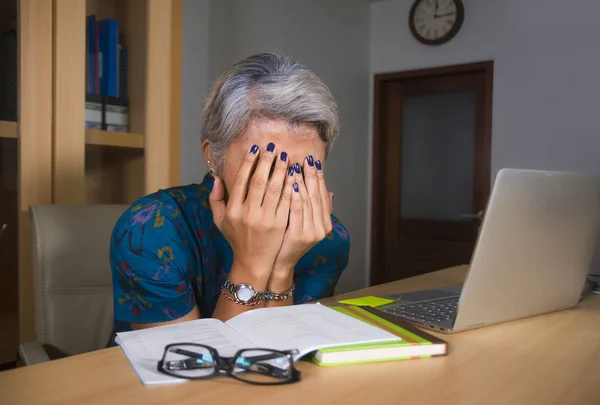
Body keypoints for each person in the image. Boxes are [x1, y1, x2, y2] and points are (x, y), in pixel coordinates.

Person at [109, 52, 350, 337]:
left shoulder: (326, 240)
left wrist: (283, 267)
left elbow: (277, 351)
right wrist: (252, 264)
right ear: (214, 156)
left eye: (304, 170)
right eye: (265, 166)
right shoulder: (149, 231)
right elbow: (192, 367)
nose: (282, 188)